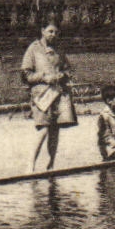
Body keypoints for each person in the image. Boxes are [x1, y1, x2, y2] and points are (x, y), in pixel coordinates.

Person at [22, 22, 76, 171]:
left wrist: (63, 75)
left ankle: (51, 164)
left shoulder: (60, 49)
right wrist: (44, 77)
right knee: (43, 128)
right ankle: (30, 164)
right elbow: (26, 74)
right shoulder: (33, 49)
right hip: (41, 95)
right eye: (50, 31)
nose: (53, 35)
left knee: (55, 129)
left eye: (56, 32)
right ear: (42, 31)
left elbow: (68, 69)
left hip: (58, 93)